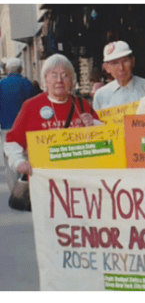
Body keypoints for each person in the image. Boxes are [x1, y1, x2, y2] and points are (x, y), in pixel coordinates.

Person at [4, 54, 100, 209]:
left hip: (80, 183)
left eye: (65, 75)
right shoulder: (31, 106)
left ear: (71, 80)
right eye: (54, 75)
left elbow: (107, 139)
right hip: (45, 185)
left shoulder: (82, 105)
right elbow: (12, 140)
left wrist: (94, 124)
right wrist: (19, 162)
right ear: (45, 80)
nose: (59, 80)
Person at [92, 40, 145, 110]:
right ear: (107, 68)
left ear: (132, 61)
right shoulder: (100, 96)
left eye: (125, 61)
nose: (121, 68)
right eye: (115, 63)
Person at [0, 59, 35, 135]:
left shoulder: (1, 84)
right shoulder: (27, 83)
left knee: (8, 146)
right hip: (25, 126)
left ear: (6, 70)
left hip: (6, 126)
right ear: (21, 69)